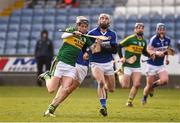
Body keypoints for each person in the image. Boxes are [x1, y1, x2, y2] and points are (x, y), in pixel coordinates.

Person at [38, 16, 100, 117]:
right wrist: (73, 33)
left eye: (86, 27)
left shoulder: (85, 38)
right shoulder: (72, 30)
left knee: (66, 88)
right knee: (51, 90)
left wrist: (98, 42)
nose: (84, 28)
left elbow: (94, 49)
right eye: (82, 26)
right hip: (60, 62)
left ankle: (51, 108)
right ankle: (46, 76)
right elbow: (63, 36)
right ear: (78, 26)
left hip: (71, 66)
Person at [88, 13, 117, 116]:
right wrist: (95, 45)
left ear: (109, 22)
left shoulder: (112, 34)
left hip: (108, 63)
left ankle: (105, 91)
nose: (104, 20)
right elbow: (89, 49)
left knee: (111, 89)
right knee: (100, 82)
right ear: (98, 21)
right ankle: (103, 106)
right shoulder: (91, 33)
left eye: (106, 19)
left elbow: (114, 50)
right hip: (96, 63)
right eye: (102, 18)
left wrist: (102, 45)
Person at [118, 23, 148, 107]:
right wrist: (121, 57)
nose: (140, 29)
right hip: (127, 64)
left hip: (136, 65)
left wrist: (150, 55)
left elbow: (144, 52)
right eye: (138, 28)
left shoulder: (144, 41)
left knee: (137, 84)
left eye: (142, 28)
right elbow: (119, 46)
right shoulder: (130, 39)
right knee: (125, 86)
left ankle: (129, 102)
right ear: (135, 29)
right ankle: (120, 74)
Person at [142, 23, 172, 105]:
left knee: (165, 81)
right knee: (148, 85)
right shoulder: (153, 39)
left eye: (163, 29)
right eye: (160, 29)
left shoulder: (168, 40)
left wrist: (167, 59)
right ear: (157, 30)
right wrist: (157, 53)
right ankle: (144, 97)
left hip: (160, 65)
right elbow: (148, 50)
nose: (161, 31)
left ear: (165, 30)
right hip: (151, 65)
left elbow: (167, 50)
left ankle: (153, 86)